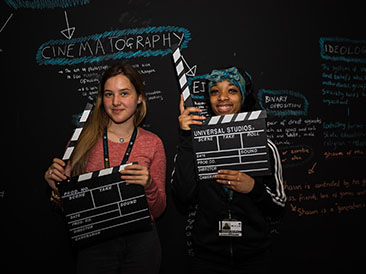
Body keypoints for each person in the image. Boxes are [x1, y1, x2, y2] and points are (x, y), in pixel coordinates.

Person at [44, 63, 166, 274]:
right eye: (109, 94)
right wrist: (57, 190)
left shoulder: (153, 143)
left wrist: (149, 184)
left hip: (141, 243)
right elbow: (69, 209)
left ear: (139, 98)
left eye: (124, 93)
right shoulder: (81, 141)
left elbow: (158, 210)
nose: (116, 102)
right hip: (94, 243)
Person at [171, 67, 286, 274]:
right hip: (207, 257)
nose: (222, 98)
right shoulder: (196, 146)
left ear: (243, 96)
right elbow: (182, 196)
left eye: (232, 90)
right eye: (215, 91)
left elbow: (279, 204)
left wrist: (253, 188)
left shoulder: (265, 146)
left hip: (254, 256)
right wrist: (187, 139)